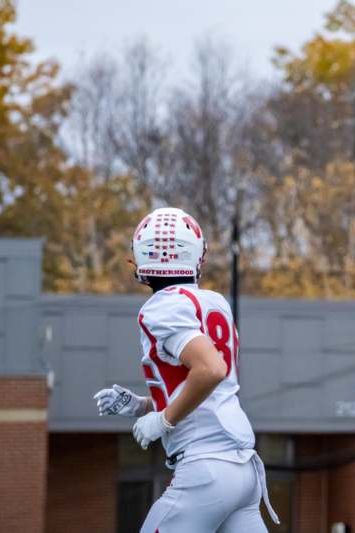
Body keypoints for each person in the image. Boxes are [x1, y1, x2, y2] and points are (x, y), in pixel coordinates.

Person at [92, 207, 279, 533]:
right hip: (241, 469)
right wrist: (142, 405)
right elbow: (204, 386)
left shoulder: (162, 307)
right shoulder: (214, 301)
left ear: (143, 257)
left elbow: (209, 370)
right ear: (197, 256)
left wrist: (163, 420)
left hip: (207, 468)